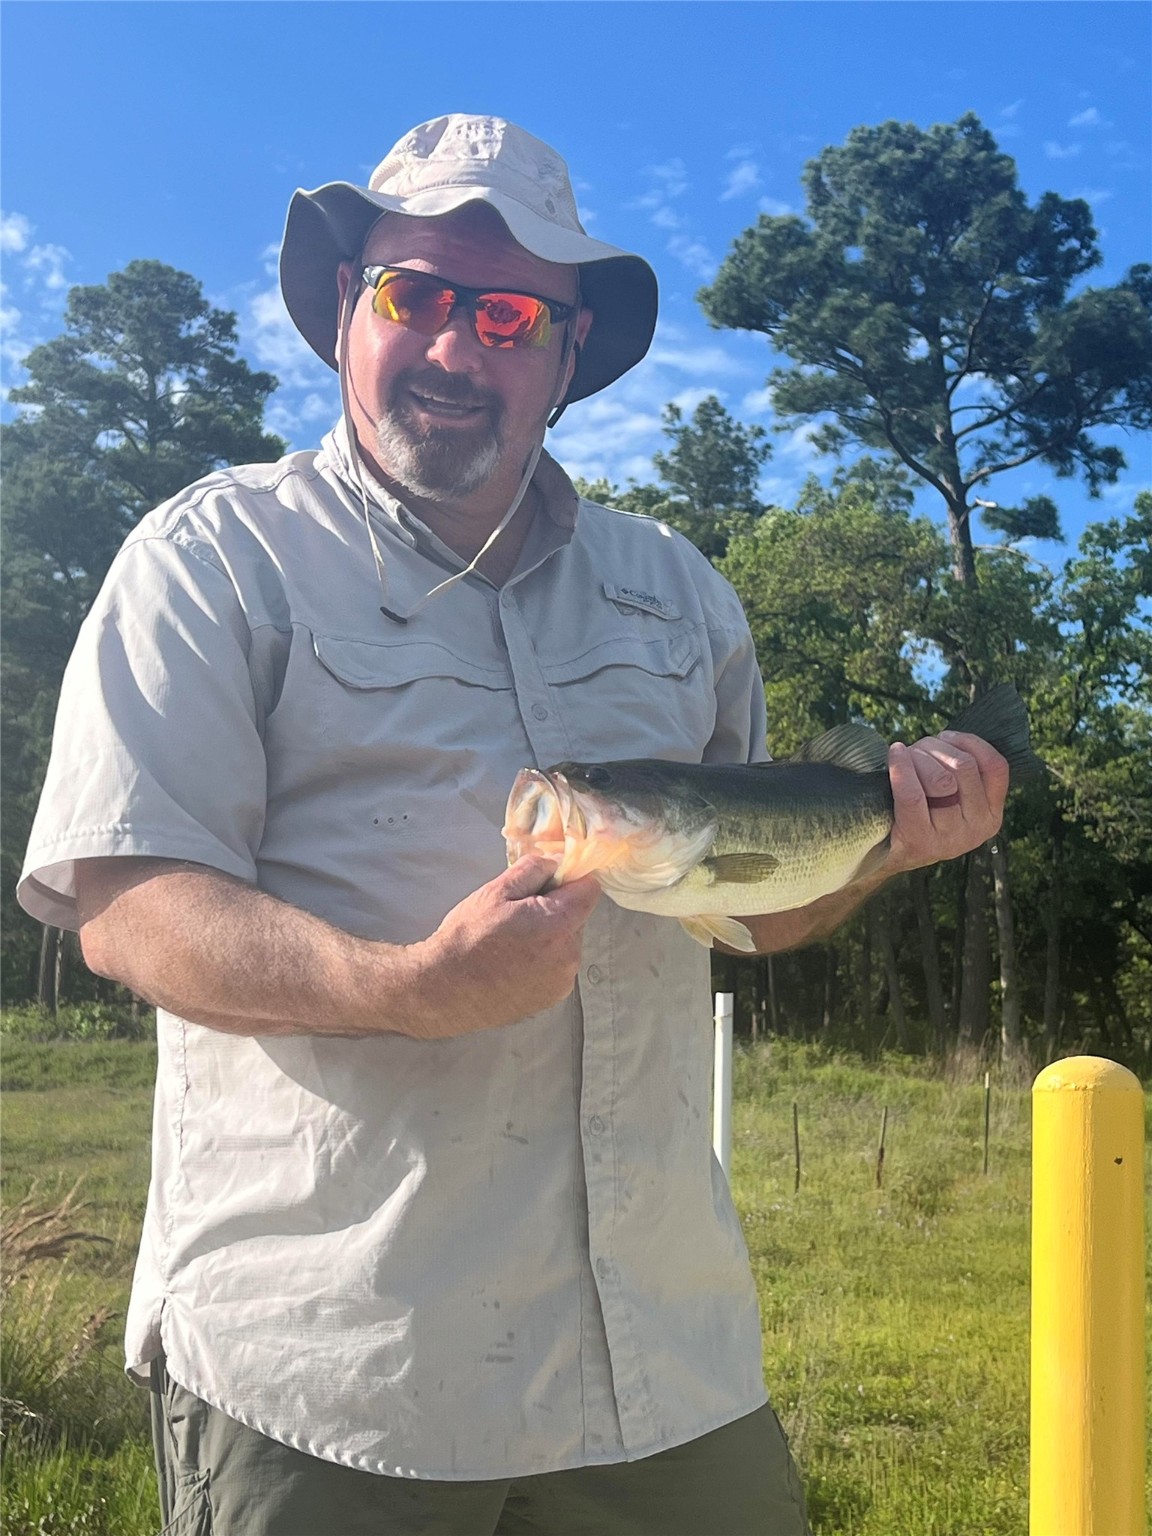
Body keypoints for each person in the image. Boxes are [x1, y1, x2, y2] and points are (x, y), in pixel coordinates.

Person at [18, 115, 1007, 1535]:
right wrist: (399, 992)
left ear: (565, 353)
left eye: (509, 315)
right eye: (414, 296)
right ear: (348, 313)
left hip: (666, 1365)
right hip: (344, 1371)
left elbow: (754, 907)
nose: (456, 349)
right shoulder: (212, 558)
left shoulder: (681, 597)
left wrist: (895, 845)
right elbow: (127, 902)